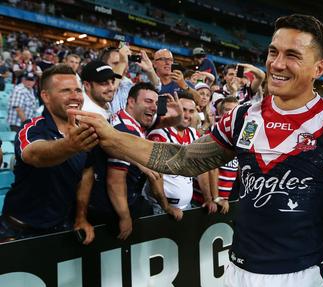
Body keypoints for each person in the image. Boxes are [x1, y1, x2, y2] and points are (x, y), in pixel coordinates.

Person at [73, 14, 323, 287]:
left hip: (303, 283)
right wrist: (114, 139)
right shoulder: (242, 117)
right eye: (273, 51)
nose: (277, 63)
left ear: (318, 67)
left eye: (292, 55)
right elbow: (186, 160)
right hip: (243, 279)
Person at [0, 64, 97, 243]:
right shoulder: (30, 128)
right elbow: (35, 155)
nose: (75, 96)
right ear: (46, 96)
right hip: (19, 230)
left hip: (63, 228)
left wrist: (81, 217)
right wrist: (70, 145)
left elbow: (86, 172)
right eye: (66, 91)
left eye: (78, 90)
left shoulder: (85, 130)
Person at [85, 83, 159, 240]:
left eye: (156, 103)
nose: (154, 107)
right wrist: (125, 217)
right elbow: (115, 181)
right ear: (131, 102)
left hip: (108, 204)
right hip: (111, 212)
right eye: (148, 101)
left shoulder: (124, 120)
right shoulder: (126, 131)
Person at [145, 93, 216, 219]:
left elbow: (201, 170)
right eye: (183, 110)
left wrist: (208, 198)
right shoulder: (159, 134)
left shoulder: (194, 134)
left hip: (186, 206)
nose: (187, 115)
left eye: (191, 111)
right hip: (161, 208)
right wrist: (166, 206)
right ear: (174, 110)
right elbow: (155, 176)